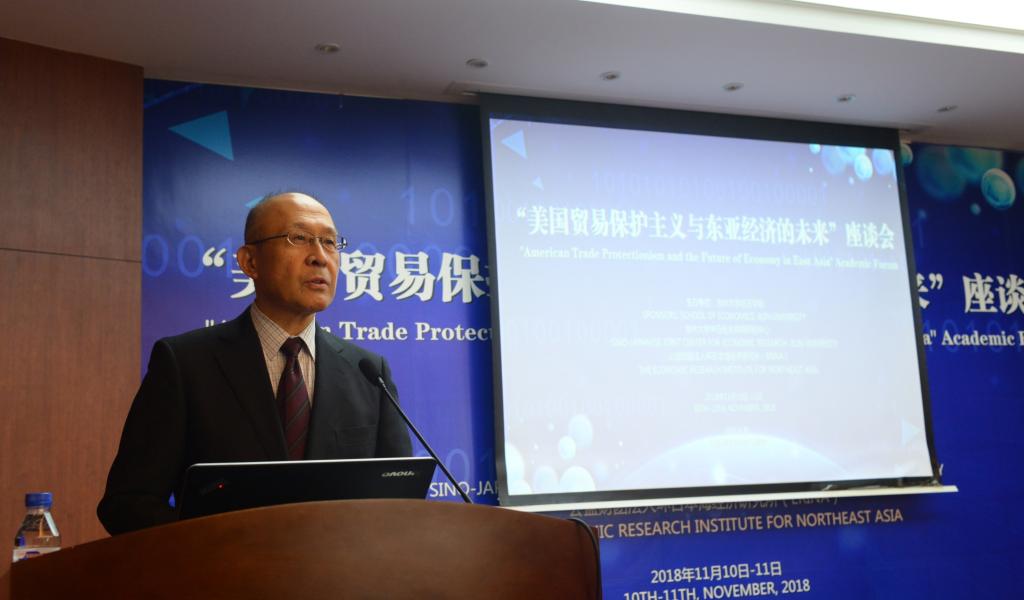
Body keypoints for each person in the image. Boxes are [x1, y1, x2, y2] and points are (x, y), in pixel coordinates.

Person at [97, 192, 412, 534]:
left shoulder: (368, 372)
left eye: (330, 242)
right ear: (250, 262)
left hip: (338, 567)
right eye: (299, 238)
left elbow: (401, 500)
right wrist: (219, 546)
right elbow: (128, 503)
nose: (320, 257)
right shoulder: (185, 364)